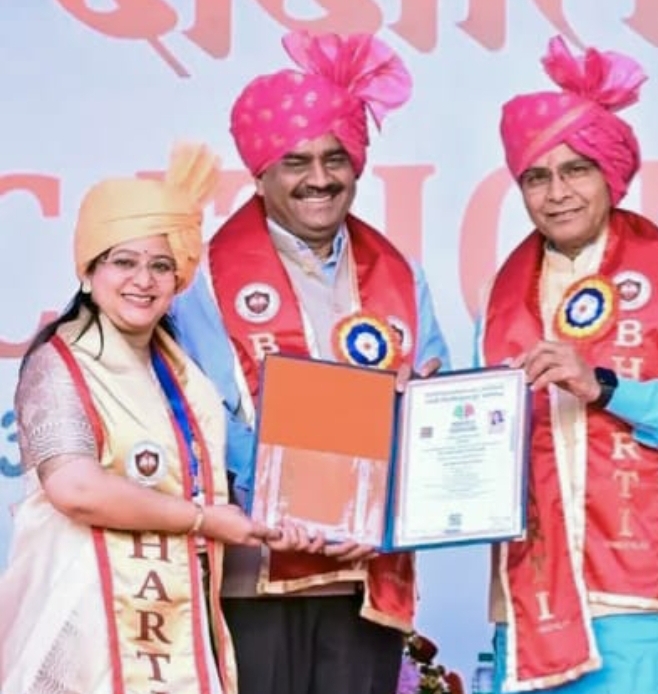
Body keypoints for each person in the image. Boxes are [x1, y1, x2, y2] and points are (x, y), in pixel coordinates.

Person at [171, 30, 450, 694]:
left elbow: (433, 404)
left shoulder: (401, 276)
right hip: (254, 577)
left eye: (336, 158)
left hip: (368, 577)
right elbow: (207, 417)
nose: (319, 179)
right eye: (295, 162)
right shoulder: (203, 279)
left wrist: (381, 508)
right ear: (260, 173)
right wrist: (309, 501)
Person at [474, 36, 658, 693]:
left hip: (656, 608)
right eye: (536, 177)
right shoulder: (501, 296)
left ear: (610, 174)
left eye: (576, 170)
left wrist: (606, 388)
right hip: (533, 607)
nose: (557, 193)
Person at [0, 143, 284, 694]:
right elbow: (76, 488)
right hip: (85, 621)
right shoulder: (60, 363)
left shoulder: (179, 369)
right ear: (89, 272)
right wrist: (202, 520)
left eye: (161, 265)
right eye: (124, 262)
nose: (144, 280)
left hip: (174, 609)